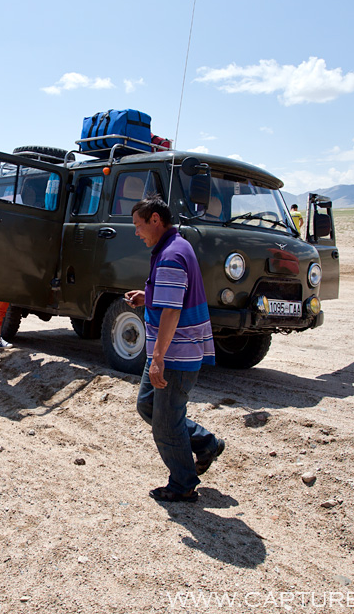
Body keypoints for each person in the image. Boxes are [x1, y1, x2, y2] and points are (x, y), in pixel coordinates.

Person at [125, 196, 223, 503]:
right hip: (172, 351)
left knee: (165, 425)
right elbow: (172, 298)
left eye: (138, 226)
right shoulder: (177, 245)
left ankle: (182, 484)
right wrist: (148, 296)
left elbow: (172, 312)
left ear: (155, 220)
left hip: (174, 356)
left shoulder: (170, 255)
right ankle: (206, 442)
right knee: (148, 406)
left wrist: (157, 360)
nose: (136, 233)